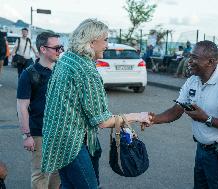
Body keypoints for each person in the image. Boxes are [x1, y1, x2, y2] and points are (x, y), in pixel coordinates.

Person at [41, 18, 151, 188]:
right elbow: (102, 120)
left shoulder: (66, 59)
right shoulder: (86, 70)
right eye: (105, 39)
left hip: (56, 139)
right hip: (73, 144)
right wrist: (138, 116)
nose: (107, 45)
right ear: (92, 42)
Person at [147, 40, 218, 189]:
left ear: (211, 62)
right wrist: (152, 119)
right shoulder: (193, 80)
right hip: (202, 152)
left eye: (195, 58)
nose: (190, 61)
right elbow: (176, 110)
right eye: (190, 56)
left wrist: (206, 119)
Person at [17, 31, 63, 189]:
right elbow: (22, 106)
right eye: (56, 48)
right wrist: (27, 135)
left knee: (57, 173)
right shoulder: (29, 74)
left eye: (61, 47)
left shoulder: (61, 71)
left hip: (60, 132)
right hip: (39, 132)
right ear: (43, 49)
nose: (60, 51)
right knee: (41, 174)